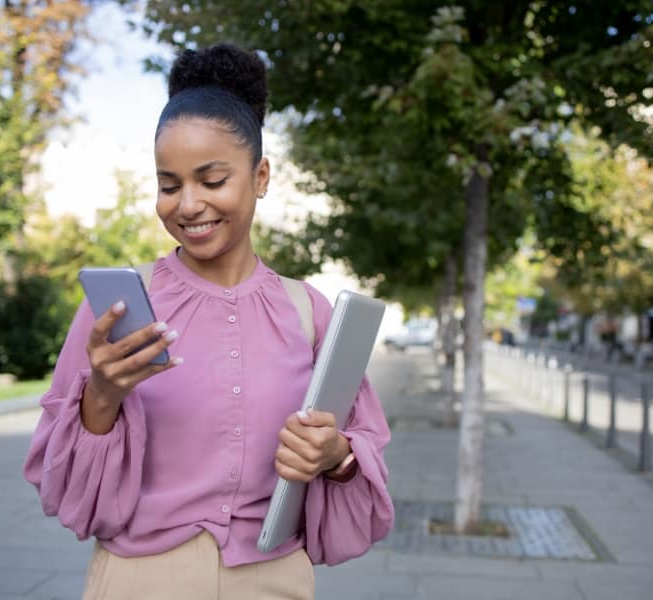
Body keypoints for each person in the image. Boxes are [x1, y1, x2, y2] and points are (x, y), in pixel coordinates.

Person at [22, 43, 394, 599]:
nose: (188, 205)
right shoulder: (120, 310)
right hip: (139, 581)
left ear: (261, 176)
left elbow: (359, 462)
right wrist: (101, 395)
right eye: (169, 185)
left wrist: (336, 456)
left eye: (212, 180)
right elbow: (66, 489)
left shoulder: (310, 314)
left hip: (275, 579)